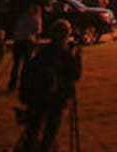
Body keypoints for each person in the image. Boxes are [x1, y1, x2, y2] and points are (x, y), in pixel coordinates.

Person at [17, 19, 82, 152]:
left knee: (35, 127)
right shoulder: (64, 55)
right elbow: (74, 75)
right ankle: (43, 147)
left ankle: (31, 146)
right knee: (50, 128)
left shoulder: (43, 52)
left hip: (39, 98)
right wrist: (77, 59)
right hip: (55, 98)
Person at [8, 4, 42, 93]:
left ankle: (12, 83)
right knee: (26, 64)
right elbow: (38, 31)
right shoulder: (35, 19)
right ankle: (25, 83)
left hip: (18, 41)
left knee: (16, 63)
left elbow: (16, 29)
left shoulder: (22, 18)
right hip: (27, 42)